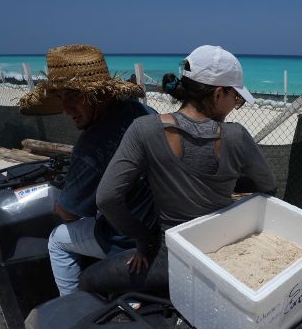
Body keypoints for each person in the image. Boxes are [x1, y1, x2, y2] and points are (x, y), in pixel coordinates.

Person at [81, 45, 276, 295]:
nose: (235, 104)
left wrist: (143, 237)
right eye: (236, 98)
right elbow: (268, 185)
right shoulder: (236, 136)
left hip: (169, 264)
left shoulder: (144, 130)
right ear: (218, 94)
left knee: (87, 280)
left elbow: (106, 199)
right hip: (221, 259)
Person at [18, 44, 158, 296]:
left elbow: (68, 212)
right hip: (161, 222)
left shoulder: (92, 146)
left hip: (127, 240)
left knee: (57, 240)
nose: (65, 109)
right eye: (61, 98)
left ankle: (71, 306)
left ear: (99, 95)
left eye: (73, 96)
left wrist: (59, 206)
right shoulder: (142, 111)